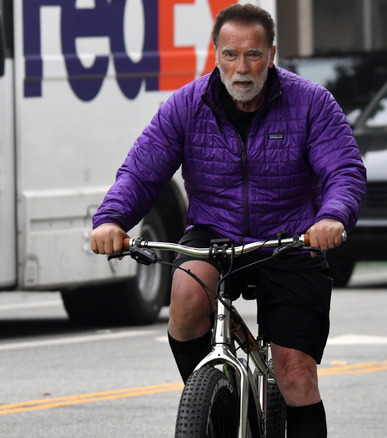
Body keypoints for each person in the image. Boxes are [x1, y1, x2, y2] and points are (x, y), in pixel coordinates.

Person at [90, 4, 366, 436]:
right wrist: (111, 220)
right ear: (215, 53)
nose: (242, 68)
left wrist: (332, 216)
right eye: (231, 55)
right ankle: (211, 401)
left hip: (292, 237)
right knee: (184, 298)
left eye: (253, 55)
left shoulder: (311, 103)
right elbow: (141, 172)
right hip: (215, 230)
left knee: (295, 374)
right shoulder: (186, 105)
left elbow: (343, 171)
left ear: (272, 55)